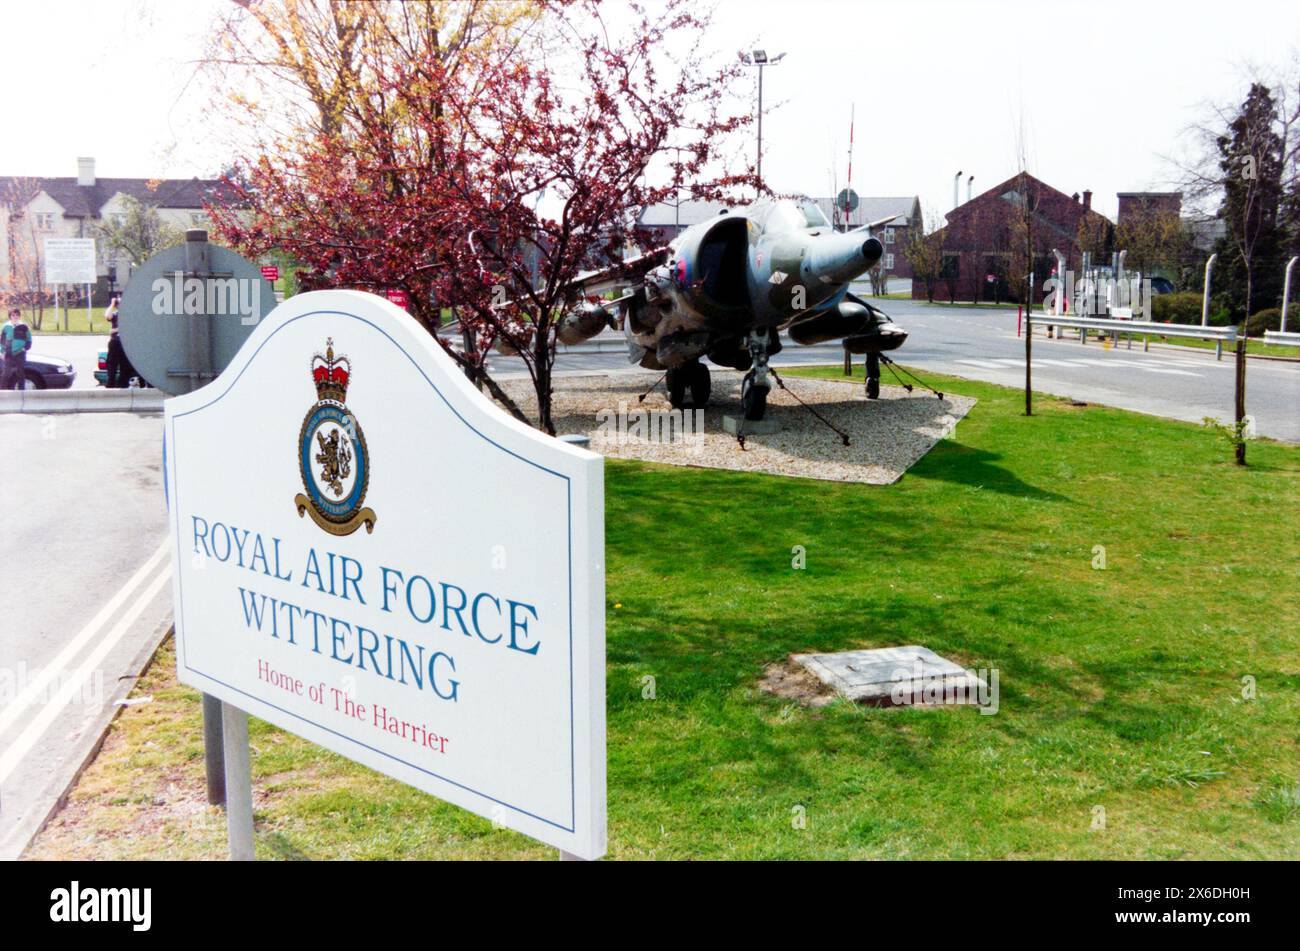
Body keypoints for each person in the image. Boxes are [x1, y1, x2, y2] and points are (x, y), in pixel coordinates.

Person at [1, 308, 32, 390]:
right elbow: (1, 340)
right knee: (6, 373)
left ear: (19, 316)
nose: (15, 317)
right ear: (10, 316)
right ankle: (2, 391)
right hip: (8, 353)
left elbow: (29, 340)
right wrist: (1, 352)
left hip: (20, 353)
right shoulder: (6, 326)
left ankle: (21, 392)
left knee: (20, 373)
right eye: (13, 315)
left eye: (17, 315)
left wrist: (25, 348)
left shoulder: (24, 326)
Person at [104, 295, 131, 388]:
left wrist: (116, 330)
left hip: (126, 343)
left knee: (125, 364)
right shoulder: (115, 314)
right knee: (112, 364)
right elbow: (107, 316)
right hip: (115, 342)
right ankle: (110, 382)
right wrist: (112, 304)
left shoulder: (130, 314)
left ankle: (123, 383)